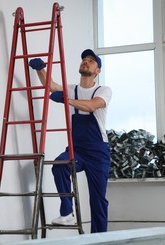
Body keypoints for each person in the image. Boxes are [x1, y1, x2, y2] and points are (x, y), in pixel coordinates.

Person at [29, 49, 112, 233]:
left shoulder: (103, 90)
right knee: (60, 165)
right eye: (84, 59)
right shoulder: (72, 88)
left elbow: (92, 106)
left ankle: (99, 242)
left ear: (97, 70)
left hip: (98, 153)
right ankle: (67, 212)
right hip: (77, 149)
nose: (86, 62)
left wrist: (67, 101)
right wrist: (40, 69)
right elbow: (51, 86)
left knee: (98, 200)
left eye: (91, 61)